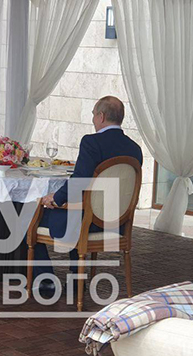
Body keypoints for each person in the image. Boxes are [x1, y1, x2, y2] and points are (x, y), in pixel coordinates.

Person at [32, 96, 143, 294]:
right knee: (77, 212)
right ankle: (77, 280)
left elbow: (79, 181)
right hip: (117, 223)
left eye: (93, 115)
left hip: (89, 222)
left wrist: (55, 198)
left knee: (32, 219)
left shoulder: (92, 142)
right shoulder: (135, 149)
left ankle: (47, 282)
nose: (93, 120)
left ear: (101, 116)